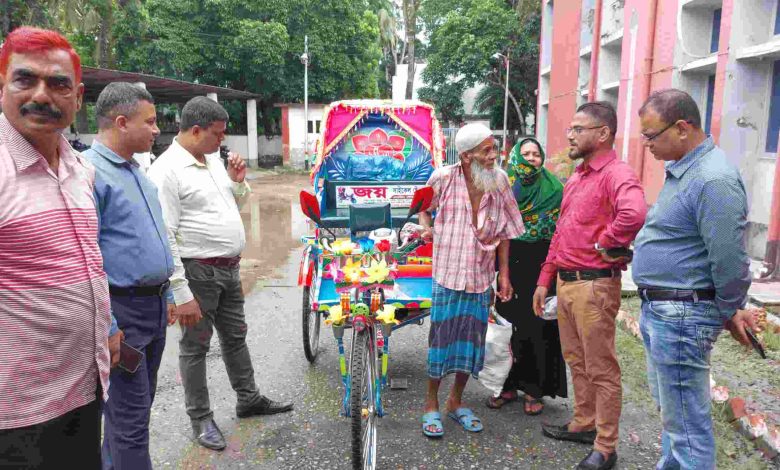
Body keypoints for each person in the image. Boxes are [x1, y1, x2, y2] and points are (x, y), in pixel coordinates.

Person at [0, 26, 119, 467]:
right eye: (25, 80)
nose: (42, 95)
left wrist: (106, 326)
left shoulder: (79, 168)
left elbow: (86, 259)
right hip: (17, 414)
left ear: (79, 96)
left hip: (84, 391)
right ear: (2, 86)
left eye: (58, 84)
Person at [148, 96, 293, 451]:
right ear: (195, 130)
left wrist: (238, 183)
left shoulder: (212, 160)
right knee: (195, 348)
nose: (222, 140)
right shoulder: (166, 171)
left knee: (235, 337)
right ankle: (200, 418)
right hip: (197, 273)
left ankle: (248, 399)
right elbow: (164, 234)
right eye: (217, 134)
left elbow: (230, 207)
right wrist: (179, 292)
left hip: (227, 269)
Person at [632, 89, 756, 470]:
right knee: (675, 418)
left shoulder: (712, 178)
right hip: (664, 309)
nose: (647, 144)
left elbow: (729, 258)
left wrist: (728, 308)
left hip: (683, 314)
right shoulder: (686, 170)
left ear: (683, 128)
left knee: (688, 426)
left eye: (652, 135)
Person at [532, 102, 647, 470]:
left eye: (579, 128)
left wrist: (605, 242)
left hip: (594, 286)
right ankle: (584, 422)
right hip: (566, 284)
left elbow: (635, 213)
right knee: (576, 361)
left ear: (603, 133)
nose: (570, 134)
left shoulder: (616, 174)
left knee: (601, 368)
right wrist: (543, 280)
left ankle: (606, 446)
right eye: (571, 127)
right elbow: (560, 233)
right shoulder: (579, 178)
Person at [81, 82, 175, 469]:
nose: (156, 129)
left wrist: (167, 295)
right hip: (123, 313)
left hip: (151, 308)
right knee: (130, 423)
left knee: (134, 412)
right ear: (121, 122)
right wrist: (109, 323)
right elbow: (87, 257)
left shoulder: (137, 172)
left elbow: (153, 238)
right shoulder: (89, 173)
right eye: (149, 122)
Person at [417, 123, 525, 438]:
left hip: (480, 277)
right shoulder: (443, 178)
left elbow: (506, 232)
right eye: (486, 150)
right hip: (447, 275)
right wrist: (426, 227)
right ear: (466, 156)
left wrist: (503, 274)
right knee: (441, 340)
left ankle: (455, 401)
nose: (494, 155)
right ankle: (430, 403)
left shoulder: (500, 181)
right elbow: (424, 210)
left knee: (471, 343)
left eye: (494, 148)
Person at [487, 137, 567, 415]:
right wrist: (501, 273)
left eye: (536, 154)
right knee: (506, 327)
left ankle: (535, 390)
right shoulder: (504, 186)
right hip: (509, 262)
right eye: (526, 153)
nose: (531, 158)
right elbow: (497, 231)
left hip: (543, 265)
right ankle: (505, 386)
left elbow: (560, 233)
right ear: (516, 158)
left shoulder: (555, 188)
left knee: (538, 327)